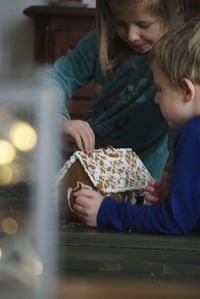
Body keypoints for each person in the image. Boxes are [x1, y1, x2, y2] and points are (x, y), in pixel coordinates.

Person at [73, 18, 200, 235]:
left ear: (187, 91)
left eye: (159, 89)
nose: (156, 99)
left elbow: (175, 222)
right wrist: (179, 195)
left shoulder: (192, 134)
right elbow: (187, 214)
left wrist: (105, 211)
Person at [50, 0, 184, 179]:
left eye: (143, 24)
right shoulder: (99, 40)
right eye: (119, 23)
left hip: (140, 177)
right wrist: (59, 118)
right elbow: (56, 78)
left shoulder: (180, 61)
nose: (131, 36)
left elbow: (182, 130)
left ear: (174, 9)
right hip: (90, 159)